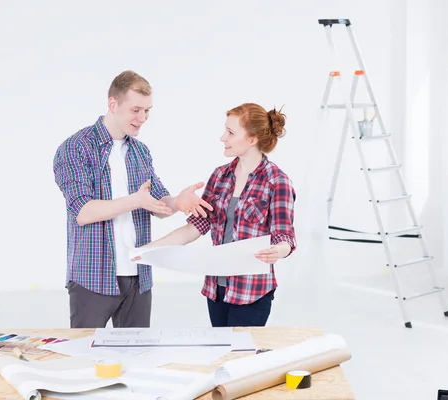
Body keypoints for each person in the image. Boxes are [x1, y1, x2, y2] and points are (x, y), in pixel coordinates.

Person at [53, 70, 213, 329]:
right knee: (85, 357)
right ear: (113, 104)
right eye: (136, 110)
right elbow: (83, 212)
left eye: (147, 111)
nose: (142, 119)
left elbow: (158, 203)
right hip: (93, 277)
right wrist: (136, 200)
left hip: (138, 276)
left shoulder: (139, 151)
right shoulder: (76, 148)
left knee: (137, 358)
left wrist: (177, 202)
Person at [132, 103, 297, 327]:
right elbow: (194, 228)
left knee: (241, 357)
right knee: (220, 355)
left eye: (230, 133)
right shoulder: (220, 176)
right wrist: (148, 250)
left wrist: (278, 250)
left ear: (251, 139)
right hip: (217, 290)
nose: (223, 138)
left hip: (252, 292)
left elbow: (284, 236)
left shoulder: (277, 181)